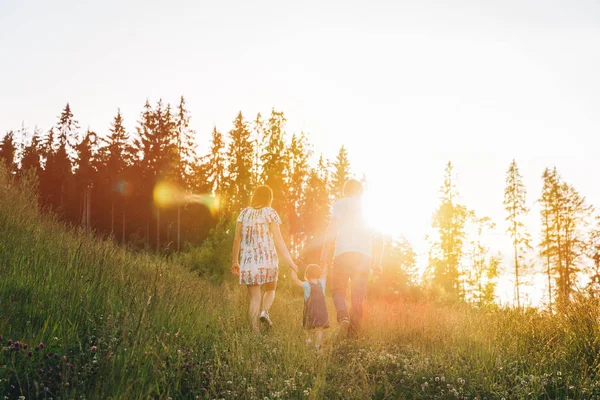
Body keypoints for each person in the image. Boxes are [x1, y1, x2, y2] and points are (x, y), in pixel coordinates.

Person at [320, 179, 383, 337]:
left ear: (345, 191)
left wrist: (324, 251)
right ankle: (353, 336)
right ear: (360, 192)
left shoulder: (340, 205)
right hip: (363, 257)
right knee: (358, 297)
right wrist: (377, 262)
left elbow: (332, 228)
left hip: (343, 254)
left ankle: (343, 317)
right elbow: (379, 236)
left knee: (338, 290)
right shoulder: (368, 207)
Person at [231, 185, 298, 332]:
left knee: (254, 298)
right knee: (270, 289)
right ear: (269, 198)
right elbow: (279, 239)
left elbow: (237, 239)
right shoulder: (270, 213)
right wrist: (290, 262)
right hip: (267, 259)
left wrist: (235, 261)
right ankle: (265, 312)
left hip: (248, 261)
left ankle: (255, 333)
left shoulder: (243, 214)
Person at [290, 264, 329, 349]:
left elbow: (295, 280)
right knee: (319, 328)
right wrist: (326, 262)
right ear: (318, 273)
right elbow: (324, 273)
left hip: (310, 310)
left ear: (307, 274)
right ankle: (317, 345)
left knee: (307, 328)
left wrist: (293, 268)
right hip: (322, 311)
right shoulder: (322, 283)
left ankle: (308, 342)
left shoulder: (307, 285)